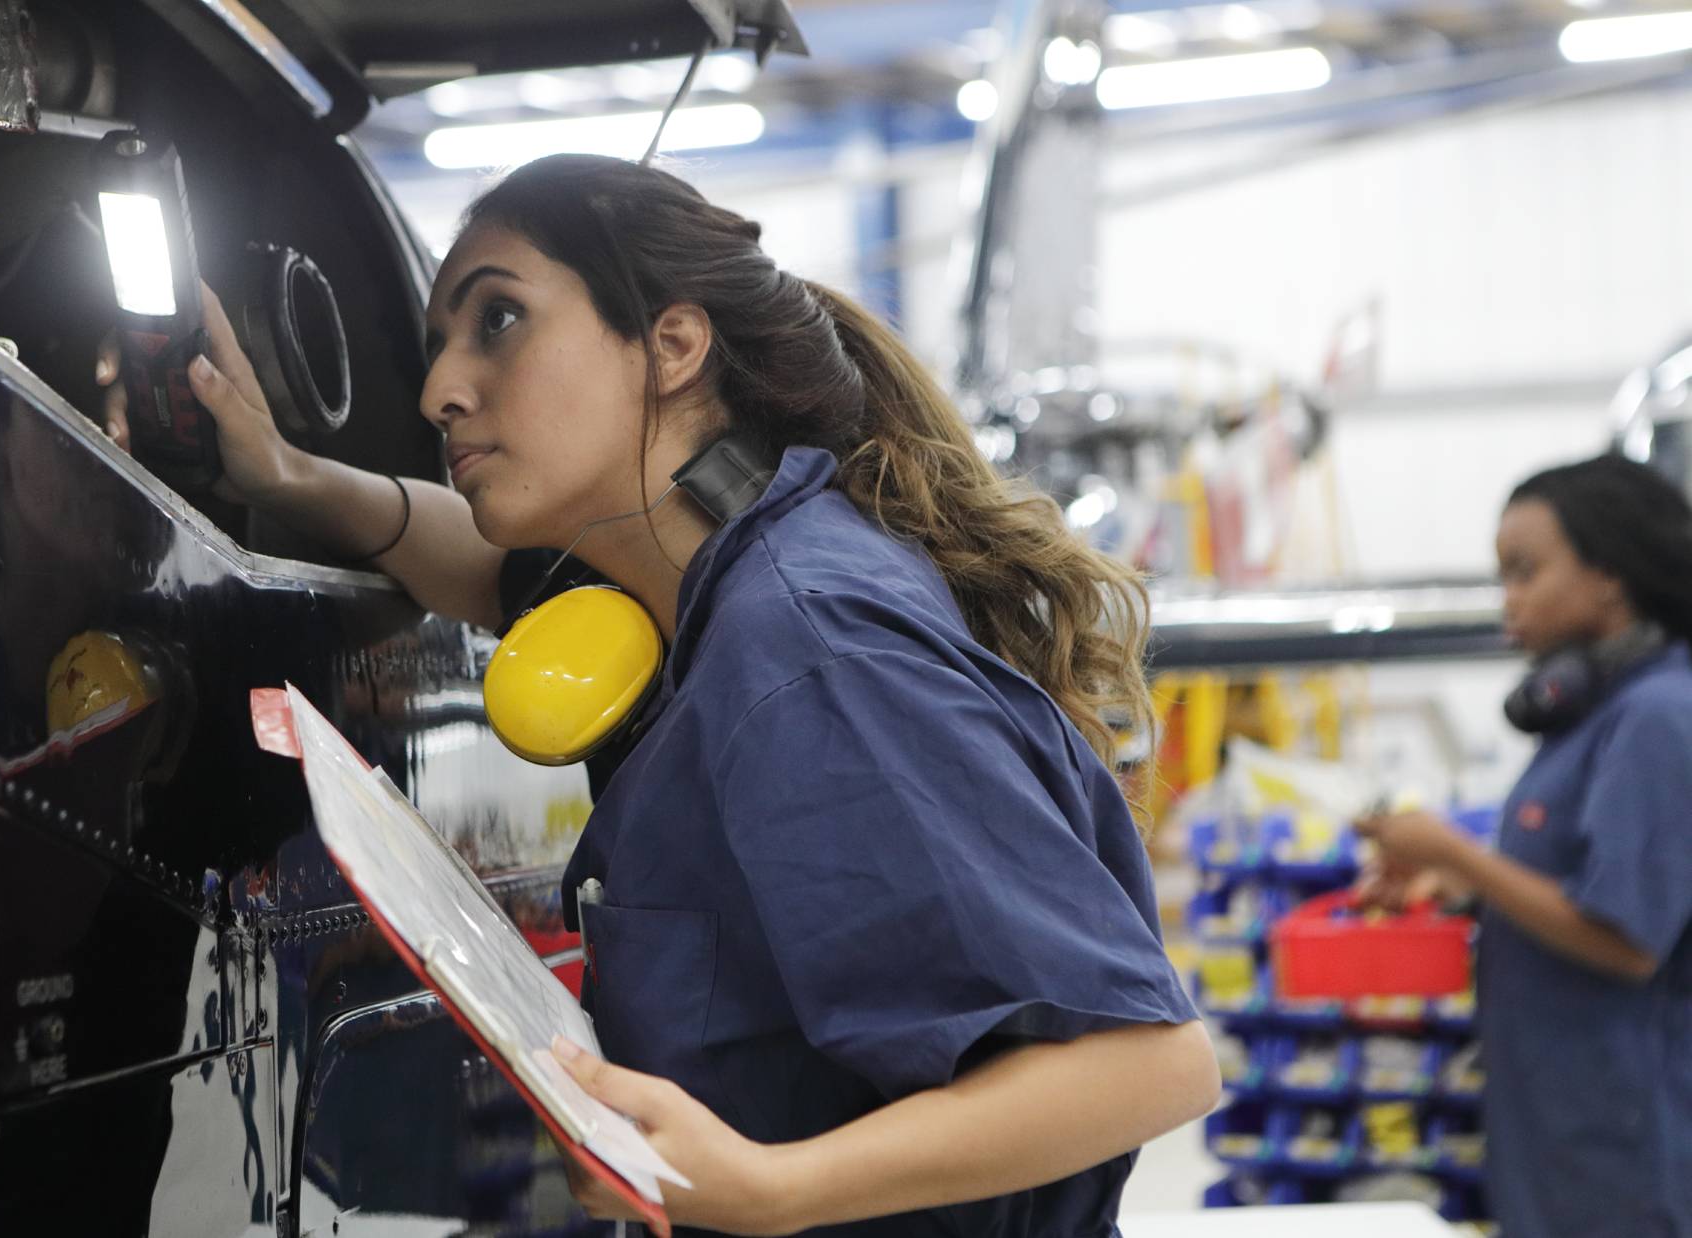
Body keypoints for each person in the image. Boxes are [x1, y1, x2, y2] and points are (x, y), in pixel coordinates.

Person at [102, 154, 1219, 1237]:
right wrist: (288, 475)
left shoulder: (805, 647)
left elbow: (1141, 1062)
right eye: (440, 343)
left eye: (499, 320)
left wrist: (773, 1185)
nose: (442, 387)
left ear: (673, 343)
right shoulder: (709, 580)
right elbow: (482, 566)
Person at [1358, 455, 1692, 1238]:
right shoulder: (1603, 713)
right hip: (1564, 1120)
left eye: (1525, 572)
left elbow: (1628, 939)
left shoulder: (1655, 720)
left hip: (1627, 1136)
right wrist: (1458, 885)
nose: (1508, 600)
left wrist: (1457, 853)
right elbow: (1578, 876)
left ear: (1609, 576)